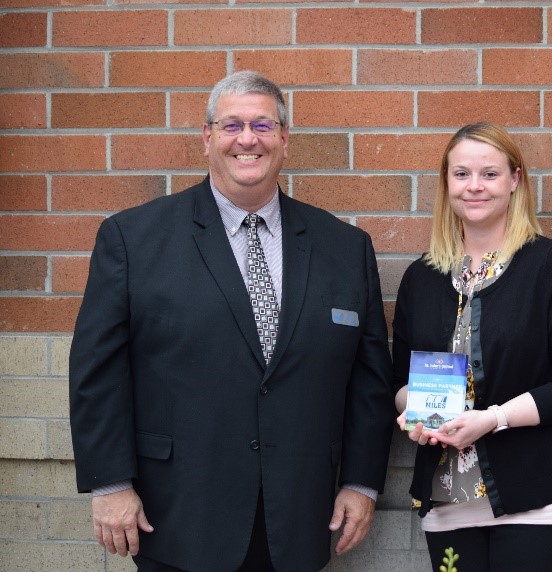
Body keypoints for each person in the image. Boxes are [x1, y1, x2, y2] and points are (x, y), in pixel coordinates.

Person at [68, 70, 394, 572]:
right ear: (207, 138)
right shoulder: (132, 239)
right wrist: (111, 484)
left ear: (285, 140)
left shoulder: (345, 247)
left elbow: (369, 380)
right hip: (178, 513)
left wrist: (361, 481)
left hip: (299, 516)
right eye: (232, 125)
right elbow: (98, 371)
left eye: (264, 125)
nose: (248, 139)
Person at [391, 121, 552, 571]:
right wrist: (416, 413)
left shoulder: (550, 266)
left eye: (490, 174)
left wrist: (493, 420)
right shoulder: (422, 278)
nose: (475, 187)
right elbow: (400, 382)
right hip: (449, 503)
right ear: (446, 183)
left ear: (515, 180)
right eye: (461, 174)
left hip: (544, 500)